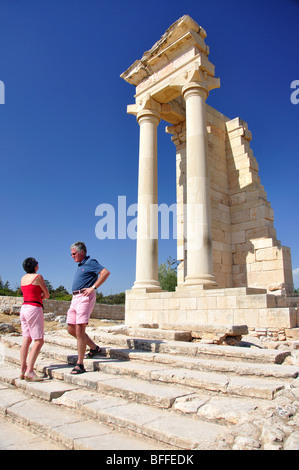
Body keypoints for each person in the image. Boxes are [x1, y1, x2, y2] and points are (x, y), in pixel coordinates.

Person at [67, 241, 110, 374]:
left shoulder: (91, 262)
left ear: (81, 252)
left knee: (80, 330)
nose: (72, 256)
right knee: (70, 328)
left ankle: (80, 364)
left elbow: (105, 272)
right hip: (75, 298)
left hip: (85, 298)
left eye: (74, 254)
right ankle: (94, 348)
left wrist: (93, 287)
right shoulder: (80, 265)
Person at [20, 257, 49, 381]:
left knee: (26, 339)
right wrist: (40, 295)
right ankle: (30, 371)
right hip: (34, 308)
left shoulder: (23, 278)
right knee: (38, 340)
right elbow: (46, 294)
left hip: (24, 307)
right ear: (35, 266)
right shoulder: (38, 277)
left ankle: (22, 369)